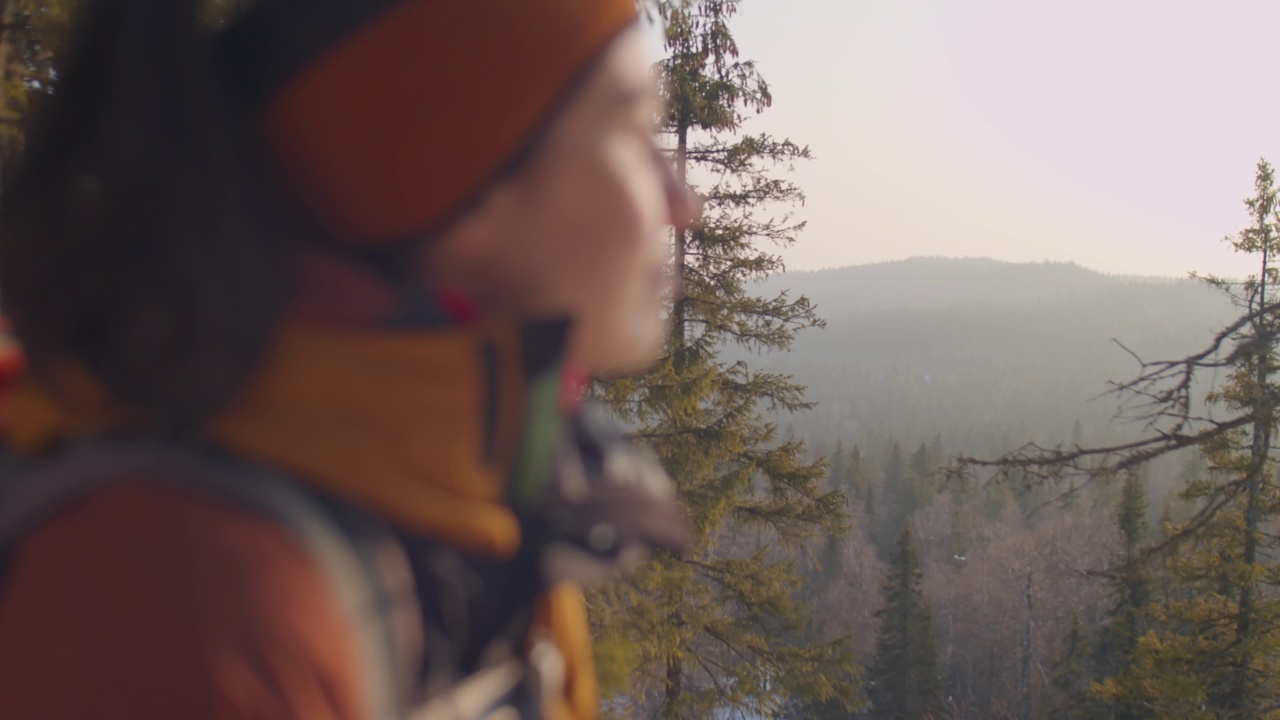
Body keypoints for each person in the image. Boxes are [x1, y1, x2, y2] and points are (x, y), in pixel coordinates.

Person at [0, 0, 698, 718]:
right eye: (629, 127)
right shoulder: (203, 616)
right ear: (460, 179)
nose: (682, 202)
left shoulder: (473, 486)